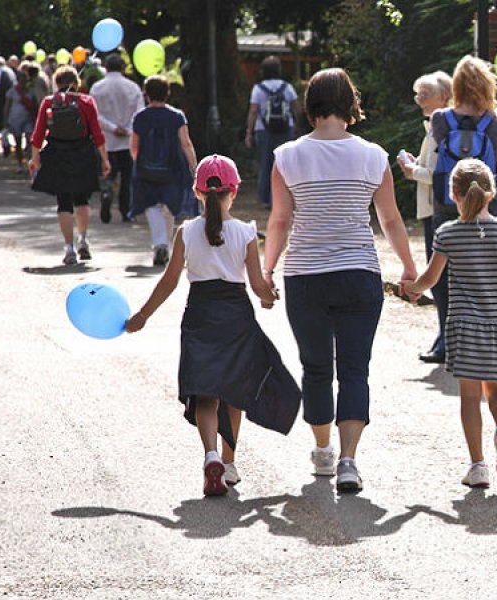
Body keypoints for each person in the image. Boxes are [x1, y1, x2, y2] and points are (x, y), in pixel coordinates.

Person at [263, 67, 418, 494]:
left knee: (315, 368)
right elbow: (389, 218)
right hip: (359, 274)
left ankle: (323, 450)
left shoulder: (287, 156)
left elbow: (279, 220)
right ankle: (350, 461)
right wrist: (408, 266)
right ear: (351, 103)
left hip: (306, 276)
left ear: (311, 105)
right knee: (354, 370)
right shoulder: (372, 155)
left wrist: (266, 269)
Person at [125, 154, 301, 497]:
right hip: (236, 316)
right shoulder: (246, 232)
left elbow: (169, 281)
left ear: (197, 192)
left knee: (204, 392)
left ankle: (209, 457)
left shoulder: (185, 232)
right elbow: (256, 284)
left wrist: (142, 316)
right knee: (234, 392)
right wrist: (269, 295)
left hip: (200, 315)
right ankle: (229, 461)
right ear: (233, 192)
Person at [401, 159, 497, 488]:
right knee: (496, 391)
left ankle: (478, 466)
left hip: (466, 327)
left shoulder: (448, 234)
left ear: (453, 194)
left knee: (470, 398)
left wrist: (410, 289)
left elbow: (430, 278)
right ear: (492, 193)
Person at [424, 56, 497, 365]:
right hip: (489, 209)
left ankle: (446, 341)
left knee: (442, 273)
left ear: (456, 86)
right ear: (487, 85)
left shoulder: (441, 119)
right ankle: (491, 340)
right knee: (491, 273)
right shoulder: (496, 123)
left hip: (447, 205)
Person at [27, 65, 111, 265]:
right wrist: (105, 159)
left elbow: (38, 135)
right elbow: (97, 134)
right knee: (82, 199)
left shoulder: (48, 102)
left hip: (57, 154)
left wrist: (35, 157)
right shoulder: (86, 101)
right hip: (82, 153)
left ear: (57, 83)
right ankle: (83, 239)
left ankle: (69, 248)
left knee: (63, 202)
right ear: (76, 83)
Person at [397, 70, 452, 361]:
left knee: (440, 279)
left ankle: (447, 341)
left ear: (444, 96)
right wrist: (418, 164)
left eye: (425, 94)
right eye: (417, 94)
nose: (419, 100)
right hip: (434, 208)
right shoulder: (437, 126)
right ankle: (444, 337)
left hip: (437, 210)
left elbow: (441, 175)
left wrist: (412, 171)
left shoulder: (443, 128)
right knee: (441, 279)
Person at [130, 75, 198, 266]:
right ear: (168, 93)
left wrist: (139, 162)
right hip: (173, 167)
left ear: (147, 95)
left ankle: (161, 245)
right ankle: (164, 245)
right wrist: (194, 166)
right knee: (169, 206)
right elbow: (185, 143)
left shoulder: (140, 117)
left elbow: (134, 145)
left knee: (152, 204)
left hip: (147, 167)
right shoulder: (177, 116)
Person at [90, 53, 143, 223]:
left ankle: (106, 191)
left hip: (107, 140)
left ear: (105, 67)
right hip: (128, 141)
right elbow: (140, 113)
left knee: (108, 172)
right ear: (122, 68)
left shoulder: (97, 88)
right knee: (127, 177)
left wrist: (112, 127)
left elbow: (94, 115)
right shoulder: (133, 87)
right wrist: (127, 129)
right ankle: (126, 210)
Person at [244, 56, 299, 209]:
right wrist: (296, 125)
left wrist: (249, 132)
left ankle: (266, 199)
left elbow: (253, 111)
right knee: (285, 164)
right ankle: (284, 198)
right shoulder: (287, 87)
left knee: (265, 164)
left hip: (263, 130)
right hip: (285, 128)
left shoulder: (258, 88)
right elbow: (296, 107)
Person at [3, 65, 38, 170]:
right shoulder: (12, 91)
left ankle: (29, 161)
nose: (23, 81)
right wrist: (6, 120)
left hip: (28, 119)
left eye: (24, 79)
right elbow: (7, 106)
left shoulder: (31, 92)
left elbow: (35, 106)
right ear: (18, 80)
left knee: (29, 140)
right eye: (21, 79)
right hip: (15, 120)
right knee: (18, 143)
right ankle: (20, 164)